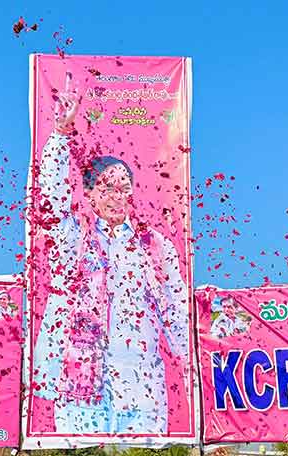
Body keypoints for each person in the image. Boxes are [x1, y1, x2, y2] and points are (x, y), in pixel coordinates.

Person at [30, 72, 190, 436]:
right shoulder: (73, 237)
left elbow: (175, 306)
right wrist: (60, 135)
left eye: (125, 189)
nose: (118, 197)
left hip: (140, 386)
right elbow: (51, 196)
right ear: (89, 193)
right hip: (79, 390)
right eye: (108, 188)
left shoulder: (154, 246)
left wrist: (191, 362)